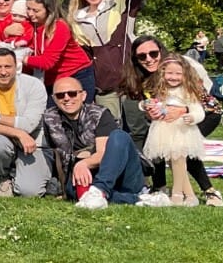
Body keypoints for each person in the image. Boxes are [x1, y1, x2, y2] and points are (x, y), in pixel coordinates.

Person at [71, 0, 152, 115]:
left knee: (138, 126)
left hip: (131, 80)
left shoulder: (118, 2)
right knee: (110, 128)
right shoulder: (77, 18)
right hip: (104, 87)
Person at [41, 77, 145, 209]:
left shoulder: (100, 114)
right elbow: (54, 155)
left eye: (72, 93)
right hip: (84, 177)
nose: (67, 98)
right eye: (60, 95)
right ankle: (140, 199)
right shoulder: (49, 118)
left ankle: (100, 190)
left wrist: (84, 163)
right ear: (54, 98)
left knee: (119, 136)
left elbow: (103, 153)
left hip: (120, 175)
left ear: (83, 95)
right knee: (77, 192)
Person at [0, 48, 50, 197]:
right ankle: (3, 176)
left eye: (8, 66)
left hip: (33, 142)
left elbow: (28, 125)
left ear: (16, 67)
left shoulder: (34, 85)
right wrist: (19, 134)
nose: (3, 72)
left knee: (30, 192)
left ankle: (21, 173)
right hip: (4, 139)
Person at [141, 55, 207, 206]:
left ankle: (177, 194)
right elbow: (150, 104)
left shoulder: (187, 91)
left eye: (178, 74)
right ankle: (190, 195)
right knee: (174, 162)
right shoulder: (161, 90)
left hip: (181, 130)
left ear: (185, 74)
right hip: (163, 129)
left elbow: (199, 111)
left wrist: (192, 117)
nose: (173, 77)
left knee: (179, 160)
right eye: (170, 73)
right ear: (163, 73)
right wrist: (146, 105)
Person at [22, 0, 95, 97]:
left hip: (76, 75)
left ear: (49, 10)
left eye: (36, 11)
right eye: (28, 8)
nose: (30, 13)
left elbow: (47, 62)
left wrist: (20, 59)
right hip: (50, 78)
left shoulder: (60, 27)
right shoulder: (30, 24)